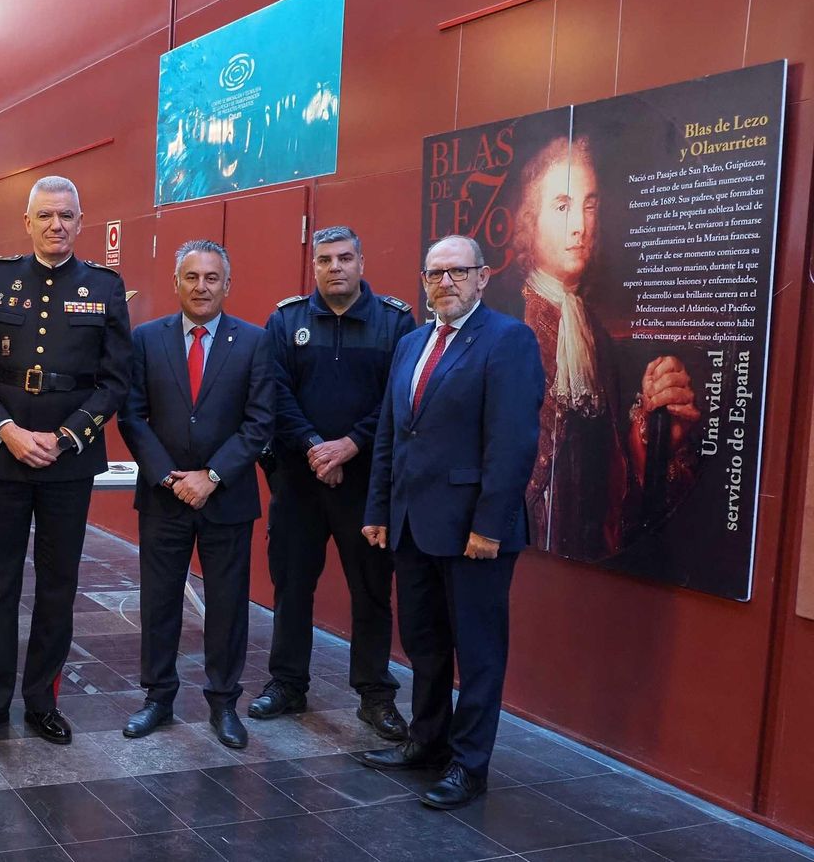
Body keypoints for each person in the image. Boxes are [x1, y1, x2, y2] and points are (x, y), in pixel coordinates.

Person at [359, 235, 544, 810]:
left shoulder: (508, 340)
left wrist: (490, 524)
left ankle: (469, 766)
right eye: (435, 274)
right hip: (413, 526)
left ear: (483, 277)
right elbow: (392, 435)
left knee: (479, 652)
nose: (446, 283)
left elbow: (512, 444)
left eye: (458, 272)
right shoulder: (412, 342)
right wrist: (379, 512)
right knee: (425, 644)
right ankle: (428, 742)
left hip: (474, 532)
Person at [0, 175, 131, 745]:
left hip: (68, 460)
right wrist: (4, 430)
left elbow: (114, 381)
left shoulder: (104, 287)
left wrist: (68, 435)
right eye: (46, 216)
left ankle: (42, 700)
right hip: (4, 454)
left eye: (67, 216)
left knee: (58, 584)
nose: (56, 226)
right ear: (27, 222)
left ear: (81, 223)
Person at [251, 226, 415, 741]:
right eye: (324, 260)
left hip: (365, 483)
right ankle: (287, 684)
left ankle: (375, 694)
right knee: (292, 585)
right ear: (314, 266)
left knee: (370, 590)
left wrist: (349, 446)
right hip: (300, 482)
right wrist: (316, 448)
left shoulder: (395, 321)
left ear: (362, 262)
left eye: (345, 258)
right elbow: (274, 394)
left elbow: (398, 398)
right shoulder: (286, 320)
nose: (335, 268)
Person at [116, 240, 273, 750]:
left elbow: (259, 422)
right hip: (163, 497)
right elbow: (132, 415)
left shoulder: (253, 342)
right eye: (191, 276)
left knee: (227, 604)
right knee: (159, 601)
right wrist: (168, 475)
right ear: (175, 282)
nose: (201, 286)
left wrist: (210, 476)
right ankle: (157, 698)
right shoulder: (145, 339)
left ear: (227, 285)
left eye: (211, 278)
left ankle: (224, 702)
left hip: (226, 498)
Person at [511, 136, 698, 560]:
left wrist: (649, 425)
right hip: (525, 540)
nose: (580, 224)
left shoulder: (592, 328)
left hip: (586, 545)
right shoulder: (510, 315)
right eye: (562, 206)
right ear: (528, 220)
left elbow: (611, 459)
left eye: (589, 205)